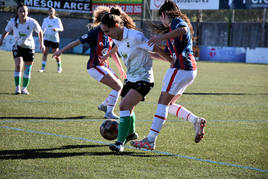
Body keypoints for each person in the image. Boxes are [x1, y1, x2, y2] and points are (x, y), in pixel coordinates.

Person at [131, 0, 207, 150]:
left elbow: (183, 30)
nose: (161, 21)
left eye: (161, 17)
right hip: (187, 69)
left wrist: (159, 38)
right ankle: (195, 121)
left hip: (181, 69)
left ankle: (150, 140)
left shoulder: (177, 22)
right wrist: (150, 53)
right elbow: (171, 58)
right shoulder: (172, 30)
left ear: (164, 14)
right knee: (169, 104)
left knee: (162, 102)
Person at [100, 7, 174, 152]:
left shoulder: (135, 36)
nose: (106, 34)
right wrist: (107, 55)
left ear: (116, 26)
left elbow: (154, 47)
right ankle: (131, 134)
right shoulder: (116, 38)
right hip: (131, 78)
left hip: (144, 79)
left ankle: (119, 143)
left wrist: (171, 60)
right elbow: (117, 47)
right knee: (128, 107)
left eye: (107, 31)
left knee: (123, 107)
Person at [53, 6, 126, 119]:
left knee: (119, 86)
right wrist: (60, 51)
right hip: (94, 66)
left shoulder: (110, 32)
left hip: (104, 66)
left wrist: (120, 68)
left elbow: (112, 52)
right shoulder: (95, 33)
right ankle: (108, 112)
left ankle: (104, 105)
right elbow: (76, 42)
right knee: (117, 86)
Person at [0, 3, 45, 95]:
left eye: (24, 11)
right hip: (18, 46)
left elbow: (40, 31)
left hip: (29, 47)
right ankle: (17, 88)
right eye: (20, 11)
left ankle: (24, 88)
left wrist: (42, 44)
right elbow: (6, 31)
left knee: (27, 69)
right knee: (18, 65)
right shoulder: (13, 21)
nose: (22, 13)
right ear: (18, 12)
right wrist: (1, 39)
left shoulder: (32, 22)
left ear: (27, 12)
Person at [40, 7, 64, 73]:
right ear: (48, 12)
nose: (51, 12)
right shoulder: (45, 20)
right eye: (50, 11)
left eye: (52, 11)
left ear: (54, 12)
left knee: (56, 54)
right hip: (47, 38)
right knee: (45, 53)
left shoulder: (57, 20)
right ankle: (43, 68)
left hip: (55, 39)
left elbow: (61, 28)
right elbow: (42, 29)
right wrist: (42, 33)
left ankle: (59, 67)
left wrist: (57, 29)